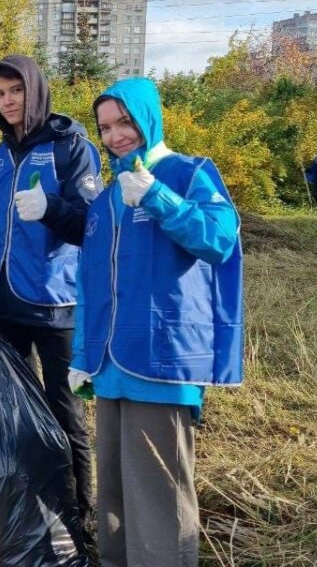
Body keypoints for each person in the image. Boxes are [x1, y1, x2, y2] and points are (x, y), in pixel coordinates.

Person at [70, 77, 243, 567]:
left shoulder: (189, 173)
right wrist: (82, 355)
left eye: (124, 122)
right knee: (116, 497)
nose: (116, 136)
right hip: (109, 365)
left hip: (163, 362)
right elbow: (90, 283)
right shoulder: (107, 197)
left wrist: (158, 197)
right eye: (106, 128)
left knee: (159, 498)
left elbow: (219, 240)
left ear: (148, 117)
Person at [0, 54, 102, 544]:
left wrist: (50, 209)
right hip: (4, 304)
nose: (8, 101)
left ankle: (80, 517)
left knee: (65, 413)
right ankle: (27, 508)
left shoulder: (71, 148)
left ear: (36, 90)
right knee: (15, 410)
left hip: (55, 303)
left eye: (16, 91)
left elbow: (92, 226)